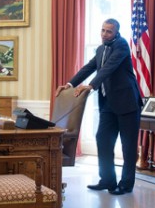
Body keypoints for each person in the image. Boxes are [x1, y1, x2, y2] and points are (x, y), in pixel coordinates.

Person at [56, 18, 142, 195]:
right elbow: (88, 68)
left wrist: (91, 85)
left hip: (127, 103)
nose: (104, 34)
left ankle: (126, 184)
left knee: (128, 146)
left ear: (116, 32)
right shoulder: (101, 48)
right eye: (102, 30)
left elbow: (108, 68)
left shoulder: (122, 45)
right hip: (108, 103)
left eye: (108, 31)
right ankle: (108, 180)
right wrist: (70, 84)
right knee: (103, 140)